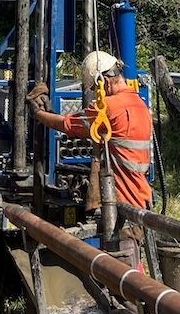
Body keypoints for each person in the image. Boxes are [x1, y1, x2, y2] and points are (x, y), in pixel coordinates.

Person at [28, 52, 152, 265]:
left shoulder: (109, 108)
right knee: (133, 254)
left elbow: (69, 125)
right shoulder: (139, 104)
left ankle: (130, 297)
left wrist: (38, 114)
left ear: (103, 81)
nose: (95, 94)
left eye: (95, 89)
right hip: (141, 194)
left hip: (122, 198)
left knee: (123, 267)